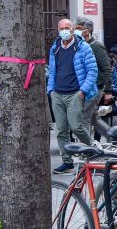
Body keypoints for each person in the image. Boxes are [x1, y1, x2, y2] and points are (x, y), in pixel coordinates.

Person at [47, 18, 98, 174]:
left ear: (72, 29)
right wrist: (51, 90)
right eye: (61, 28)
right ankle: (67, 162)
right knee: (61, 130)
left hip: (75, 93)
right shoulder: (55, 47)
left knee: (76, 126)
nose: (64, 30)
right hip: (58, 93)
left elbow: (93, 71)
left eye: (67, 27)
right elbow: (52, 71)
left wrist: (82, 91)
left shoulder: (83, 47)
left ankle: (93, 150)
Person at [74, 17, 112, 139]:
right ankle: (113, 137)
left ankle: (84, 148)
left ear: (88, 30)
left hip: (95, 87)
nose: (76, 31)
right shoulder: (80, 45)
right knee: (94, 118)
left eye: (79, 28)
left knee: (84, 117)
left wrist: (108, 90)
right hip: (85, 87)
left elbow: (106, 68)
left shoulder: (96, 46)